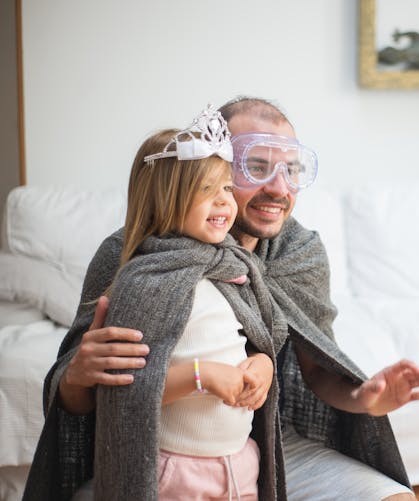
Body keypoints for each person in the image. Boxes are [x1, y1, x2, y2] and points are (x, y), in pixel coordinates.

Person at [27, 97, 419, 501]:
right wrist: (79, 375)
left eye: (291, 170)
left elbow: (317, 372)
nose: (279, 188)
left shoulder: (298, 252)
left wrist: (365, 398)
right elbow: (77, 401)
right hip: (155, 455)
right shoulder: (134, 254)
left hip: (270, 447)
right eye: (255, 167)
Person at [24, 106, 282, 500]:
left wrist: (262, 363)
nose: (224, 202)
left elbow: (260, 337)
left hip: (240, 462)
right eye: (206, 190)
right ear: (166, 200)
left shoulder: (232, 265)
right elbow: (125, 389)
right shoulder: (142, 280)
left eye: (227, 188)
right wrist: (203, 376)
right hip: (174, 471)